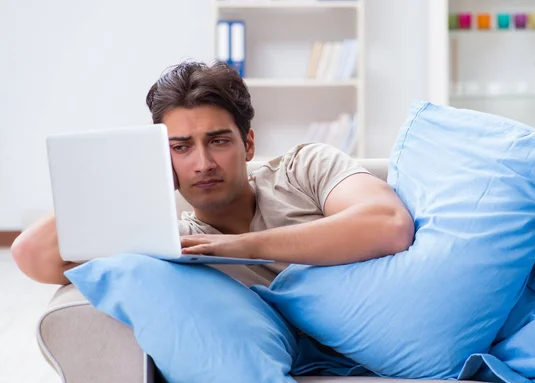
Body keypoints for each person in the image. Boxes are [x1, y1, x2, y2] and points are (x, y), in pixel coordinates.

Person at [11, 60, 414, 286]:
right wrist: (135, 178)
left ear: (248, 144)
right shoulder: (176, 244)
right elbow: (33, 254)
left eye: (218, 140)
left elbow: (390, 224)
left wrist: (245, 246)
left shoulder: (304, 169)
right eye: (181, 147)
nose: (202, 163)